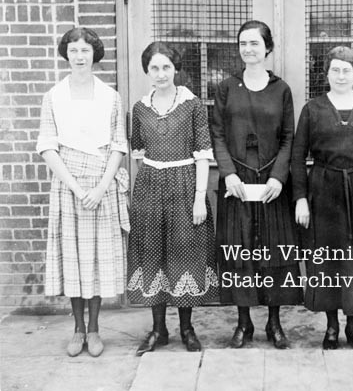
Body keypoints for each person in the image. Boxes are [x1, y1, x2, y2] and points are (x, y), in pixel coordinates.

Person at [37, 27, 130, 357]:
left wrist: (102, 186)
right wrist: (76, 188)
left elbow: (120, 144)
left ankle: (94, 329)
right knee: (74, 260)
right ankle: (77, 330)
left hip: (101, 186)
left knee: (96, 262)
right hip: (69, 186)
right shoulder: (53, 96)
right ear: (67, 54)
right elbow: (47, 147)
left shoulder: (111, 97)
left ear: (95, 55)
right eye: (73, 50)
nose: (79, 57)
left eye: (85, 51)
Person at [291, 46, 353, 350]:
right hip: (323, 189)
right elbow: (297, 156)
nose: (341, 76)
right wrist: (301, 199)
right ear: (327, 75)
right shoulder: (313, 109)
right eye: (335, 70)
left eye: (347, 70)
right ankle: (332, 326)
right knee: (328, 261)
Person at [212, 20, 302, 349]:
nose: (248, 49)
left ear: (268, 48)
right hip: (236, 183)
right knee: (241, 251)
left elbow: (289, 138)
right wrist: (228, 174)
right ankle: (244, 322)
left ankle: (274, 322)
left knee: (274, 252)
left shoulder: (281, 89)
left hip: (271, 186)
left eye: (254, 43)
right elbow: (217, 135)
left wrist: (279, 177)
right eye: (242, 43)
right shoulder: (226, 88)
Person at [126, 42, 219, 355]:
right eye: (154, 68)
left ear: (176, 69)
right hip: (150, 188)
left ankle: (187, 328)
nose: (161, 73)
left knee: (185, 254)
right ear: (147, 71)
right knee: (152, 253)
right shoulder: (140, 108)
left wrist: (198, 198)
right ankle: (158, 329)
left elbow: (203, 155)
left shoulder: (192, 105)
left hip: (186, 185)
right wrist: (151, 184)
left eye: (166, 67)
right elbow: (139, 154)